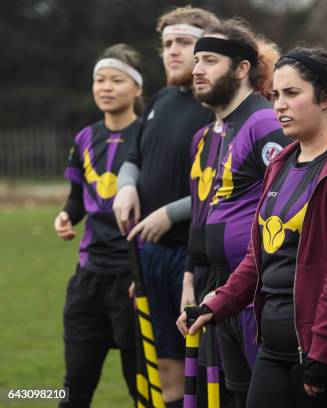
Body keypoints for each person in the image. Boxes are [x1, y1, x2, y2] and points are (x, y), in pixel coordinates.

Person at [177, 46, 327, 408]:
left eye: (292, 94)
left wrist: (322, 351)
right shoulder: (281, 161)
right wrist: (218, 304)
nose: (279, 104)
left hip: (317, 354)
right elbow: (258, 256)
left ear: (325, 97)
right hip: (273, 350)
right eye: (276, 95)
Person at [177, 19, 290, 407]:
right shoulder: (204, 136)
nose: (196, 69)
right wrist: (191, 276)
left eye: (210, 59)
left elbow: (287, 206)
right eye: (196, 60)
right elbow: (200, 211)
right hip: (215, 287)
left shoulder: (265, 124)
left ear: (242, 68)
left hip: (257, 292)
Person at [112, 7, 218, 407]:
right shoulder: (161, 99)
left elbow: (226, 190)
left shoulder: (216, 107)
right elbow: (134, 157)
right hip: (151, 257)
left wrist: (168, 214)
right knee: (165, 369)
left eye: (185, 43)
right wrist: (126, 188)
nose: (173, 52)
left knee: (203, 372)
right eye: (168, 44)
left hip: (193, 259)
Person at [54, 43, 143, 407]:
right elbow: (78, 196)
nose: (105, 87)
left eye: (116, 80)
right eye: (99, 80)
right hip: (88, 278)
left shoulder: (149, 136)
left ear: (137, 88)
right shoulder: (85, 138)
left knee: (141, 388)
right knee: (75, 387)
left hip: (133, 279)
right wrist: (66, 215)